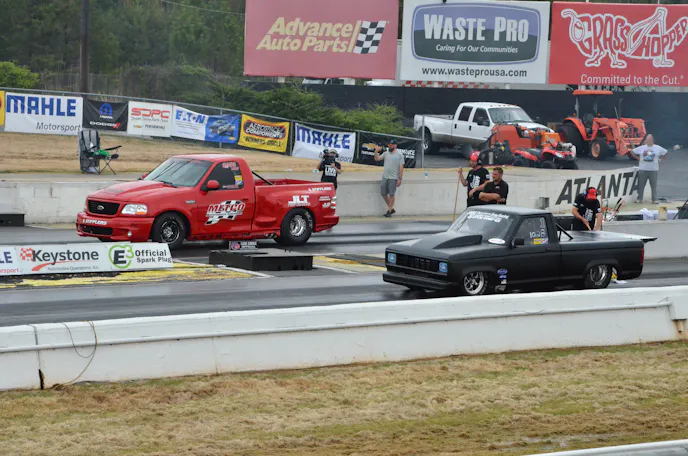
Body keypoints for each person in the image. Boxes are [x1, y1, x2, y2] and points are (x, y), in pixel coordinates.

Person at [628, 134, 671, 204]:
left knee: (653, 186)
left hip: (653, 170)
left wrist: (660, 159)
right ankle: (639, 198)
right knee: (641, 185)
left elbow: (666, 152)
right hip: (643, 169)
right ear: (646, 140)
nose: (648, 141)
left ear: (652, 140)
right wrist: (638, 158)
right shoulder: (642, 148)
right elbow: (632, 152)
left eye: (650, 140)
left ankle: (654, 199)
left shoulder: (657, 148)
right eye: (647, 140)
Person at [374, 139, 404, 217]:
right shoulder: (386, 153)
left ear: (395, 146)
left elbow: (401, 167)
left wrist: (400, 178)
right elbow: (377, 159)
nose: (390, 146)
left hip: (393, 178)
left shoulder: (399, 155)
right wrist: (376, 152)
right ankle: (391, 208)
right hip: (385, 176)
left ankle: (389, 211)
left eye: (391, 145)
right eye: (389, 145)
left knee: (391, 194)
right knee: (383, 193)